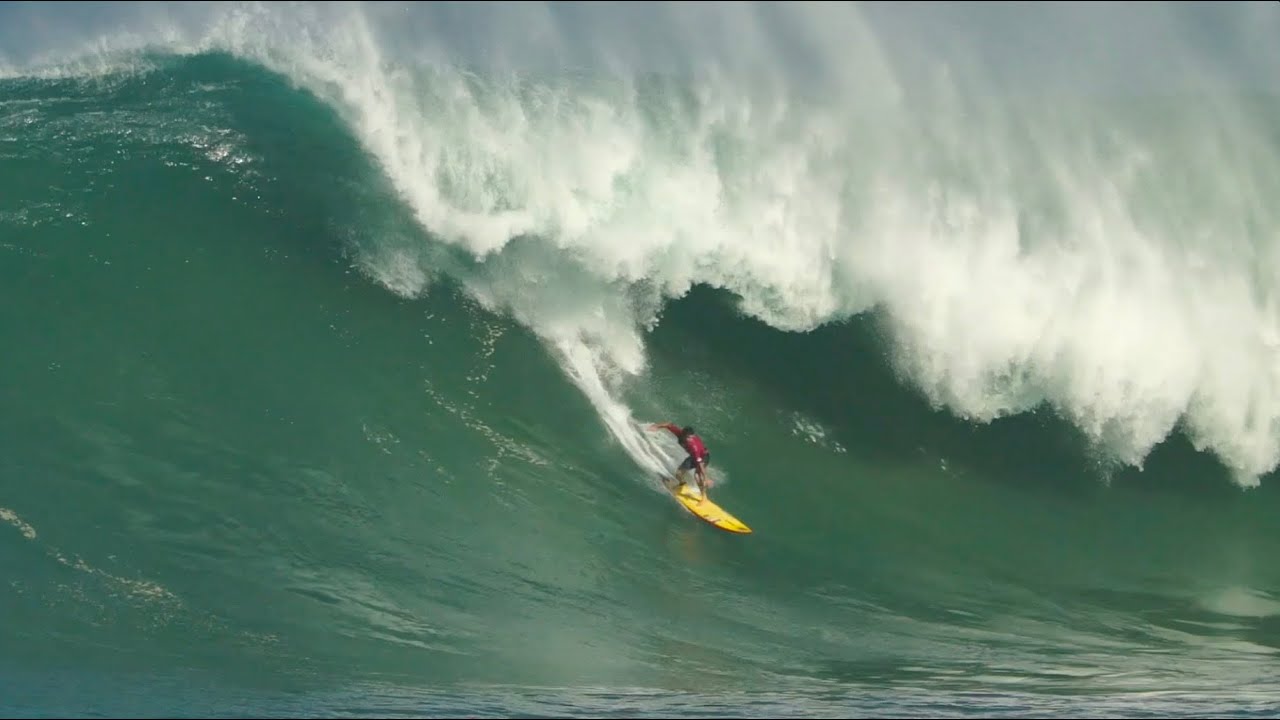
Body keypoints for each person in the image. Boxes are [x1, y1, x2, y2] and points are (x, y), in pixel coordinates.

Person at [647, 422, 712, 495]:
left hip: (703, 456)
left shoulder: (694, 446)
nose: (690, 439)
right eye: (688, 437)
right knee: (678, 473)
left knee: (697, 475)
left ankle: (703, 495)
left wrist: (706, 478)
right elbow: (668, 425)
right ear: (683, 434)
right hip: (693, 457)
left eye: (691, 437)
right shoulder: (679, 433)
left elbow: (700, 464)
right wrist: (656, 426)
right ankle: (683, 486)